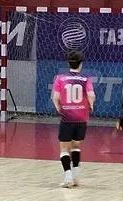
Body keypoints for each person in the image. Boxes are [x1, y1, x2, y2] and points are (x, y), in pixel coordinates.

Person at [51, 50, 95, 188]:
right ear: (80, 64)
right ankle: (76, 177)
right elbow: (91, 95)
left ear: (68, 63)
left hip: (67, 117)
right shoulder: (86, 79)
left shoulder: (60, 78)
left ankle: (68, 177)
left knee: (64, 148)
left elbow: (55, 97)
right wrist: (91, 106)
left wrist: (59, 108)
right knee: (76, 146)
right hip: (81, 117)